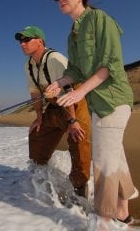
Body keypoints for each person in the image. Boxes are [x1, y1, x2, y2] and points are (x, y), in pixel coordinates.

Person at [45, 0, 138, 228]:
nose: (60, 0)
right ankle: (123, 213)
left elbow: (109, 64)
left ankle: (102, 220)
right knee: (114, 156)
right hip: (98, 103)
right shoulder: (72, 34)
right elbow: (75, 69)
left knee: (103, 158)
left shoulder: (101, 20)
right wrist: (61, 82)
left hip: (114, 99)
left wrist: (79, 92)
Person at [14, 25, 92, 198]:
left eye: (27, 39)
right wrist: (39, 118)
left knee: (78, 141)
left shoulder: (55, 58)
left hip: (74, 106)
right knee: (36, 134)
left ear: (40, 41)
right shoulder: (28, 65)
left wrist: (72, 122)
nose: (22, 44)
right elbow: (35, 93)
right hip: (53, 108)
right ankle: (40, 179)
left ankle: (80, 189)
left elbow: (68, 90)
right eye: (21, 40)